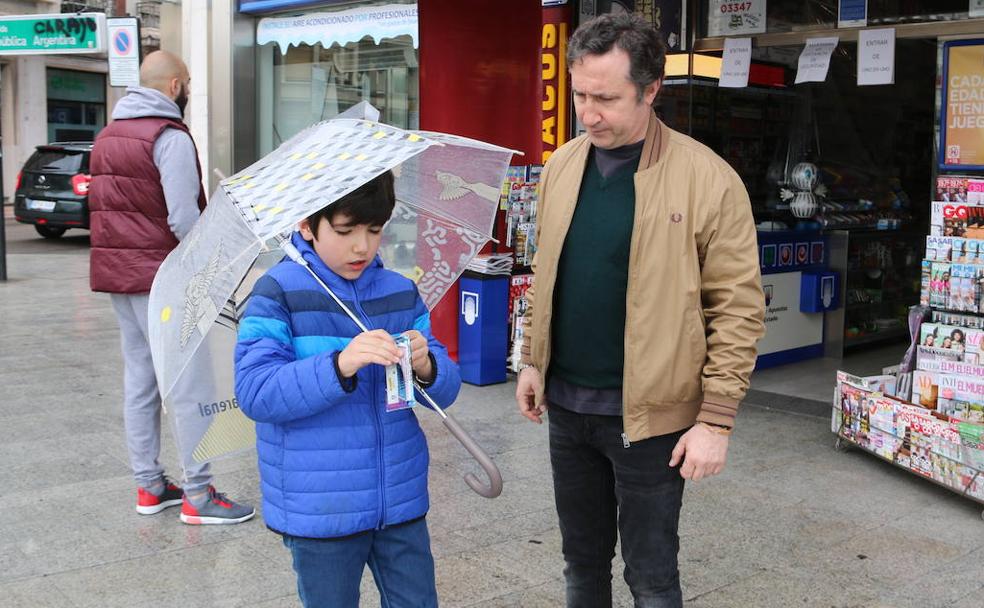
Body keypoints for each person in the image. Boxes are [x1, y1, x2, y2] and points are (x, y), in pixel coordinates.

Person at [514, 14, 765, 607]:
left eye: (606, 98)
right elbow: (547, 273)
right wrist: (531, 358)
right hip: (568, 408)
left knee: (651, 577)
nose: (589, 112)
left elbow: (738, 307)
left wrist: (717, 420)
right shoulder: (561, 166)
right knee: (581, 565)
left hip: (652, 421)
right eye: (580, 94)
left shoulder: (708, 178)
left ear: (651, 91)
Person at [234, 172, 460, 608]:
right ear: (306, 224)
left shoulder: (399, 292)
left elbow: (442, 391)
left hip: (400, 497)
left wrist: (426, 365)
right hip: (322, 507)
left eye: (374, 230)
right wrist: (339, 365)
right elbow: (256, 391)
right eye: (345, 230)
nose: (362, 246)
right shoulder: (276, 292)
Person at [89, 50, 254, 524]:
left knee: (140, 381)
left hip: (121, 279)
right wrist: (212, 265)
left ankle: (149, 486)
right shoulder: (169, 137)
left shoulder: (107, 136)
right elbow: (184, 219)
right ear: (177, 85)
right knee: (188, 385)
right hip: (163, 281)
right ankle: (199, 495)